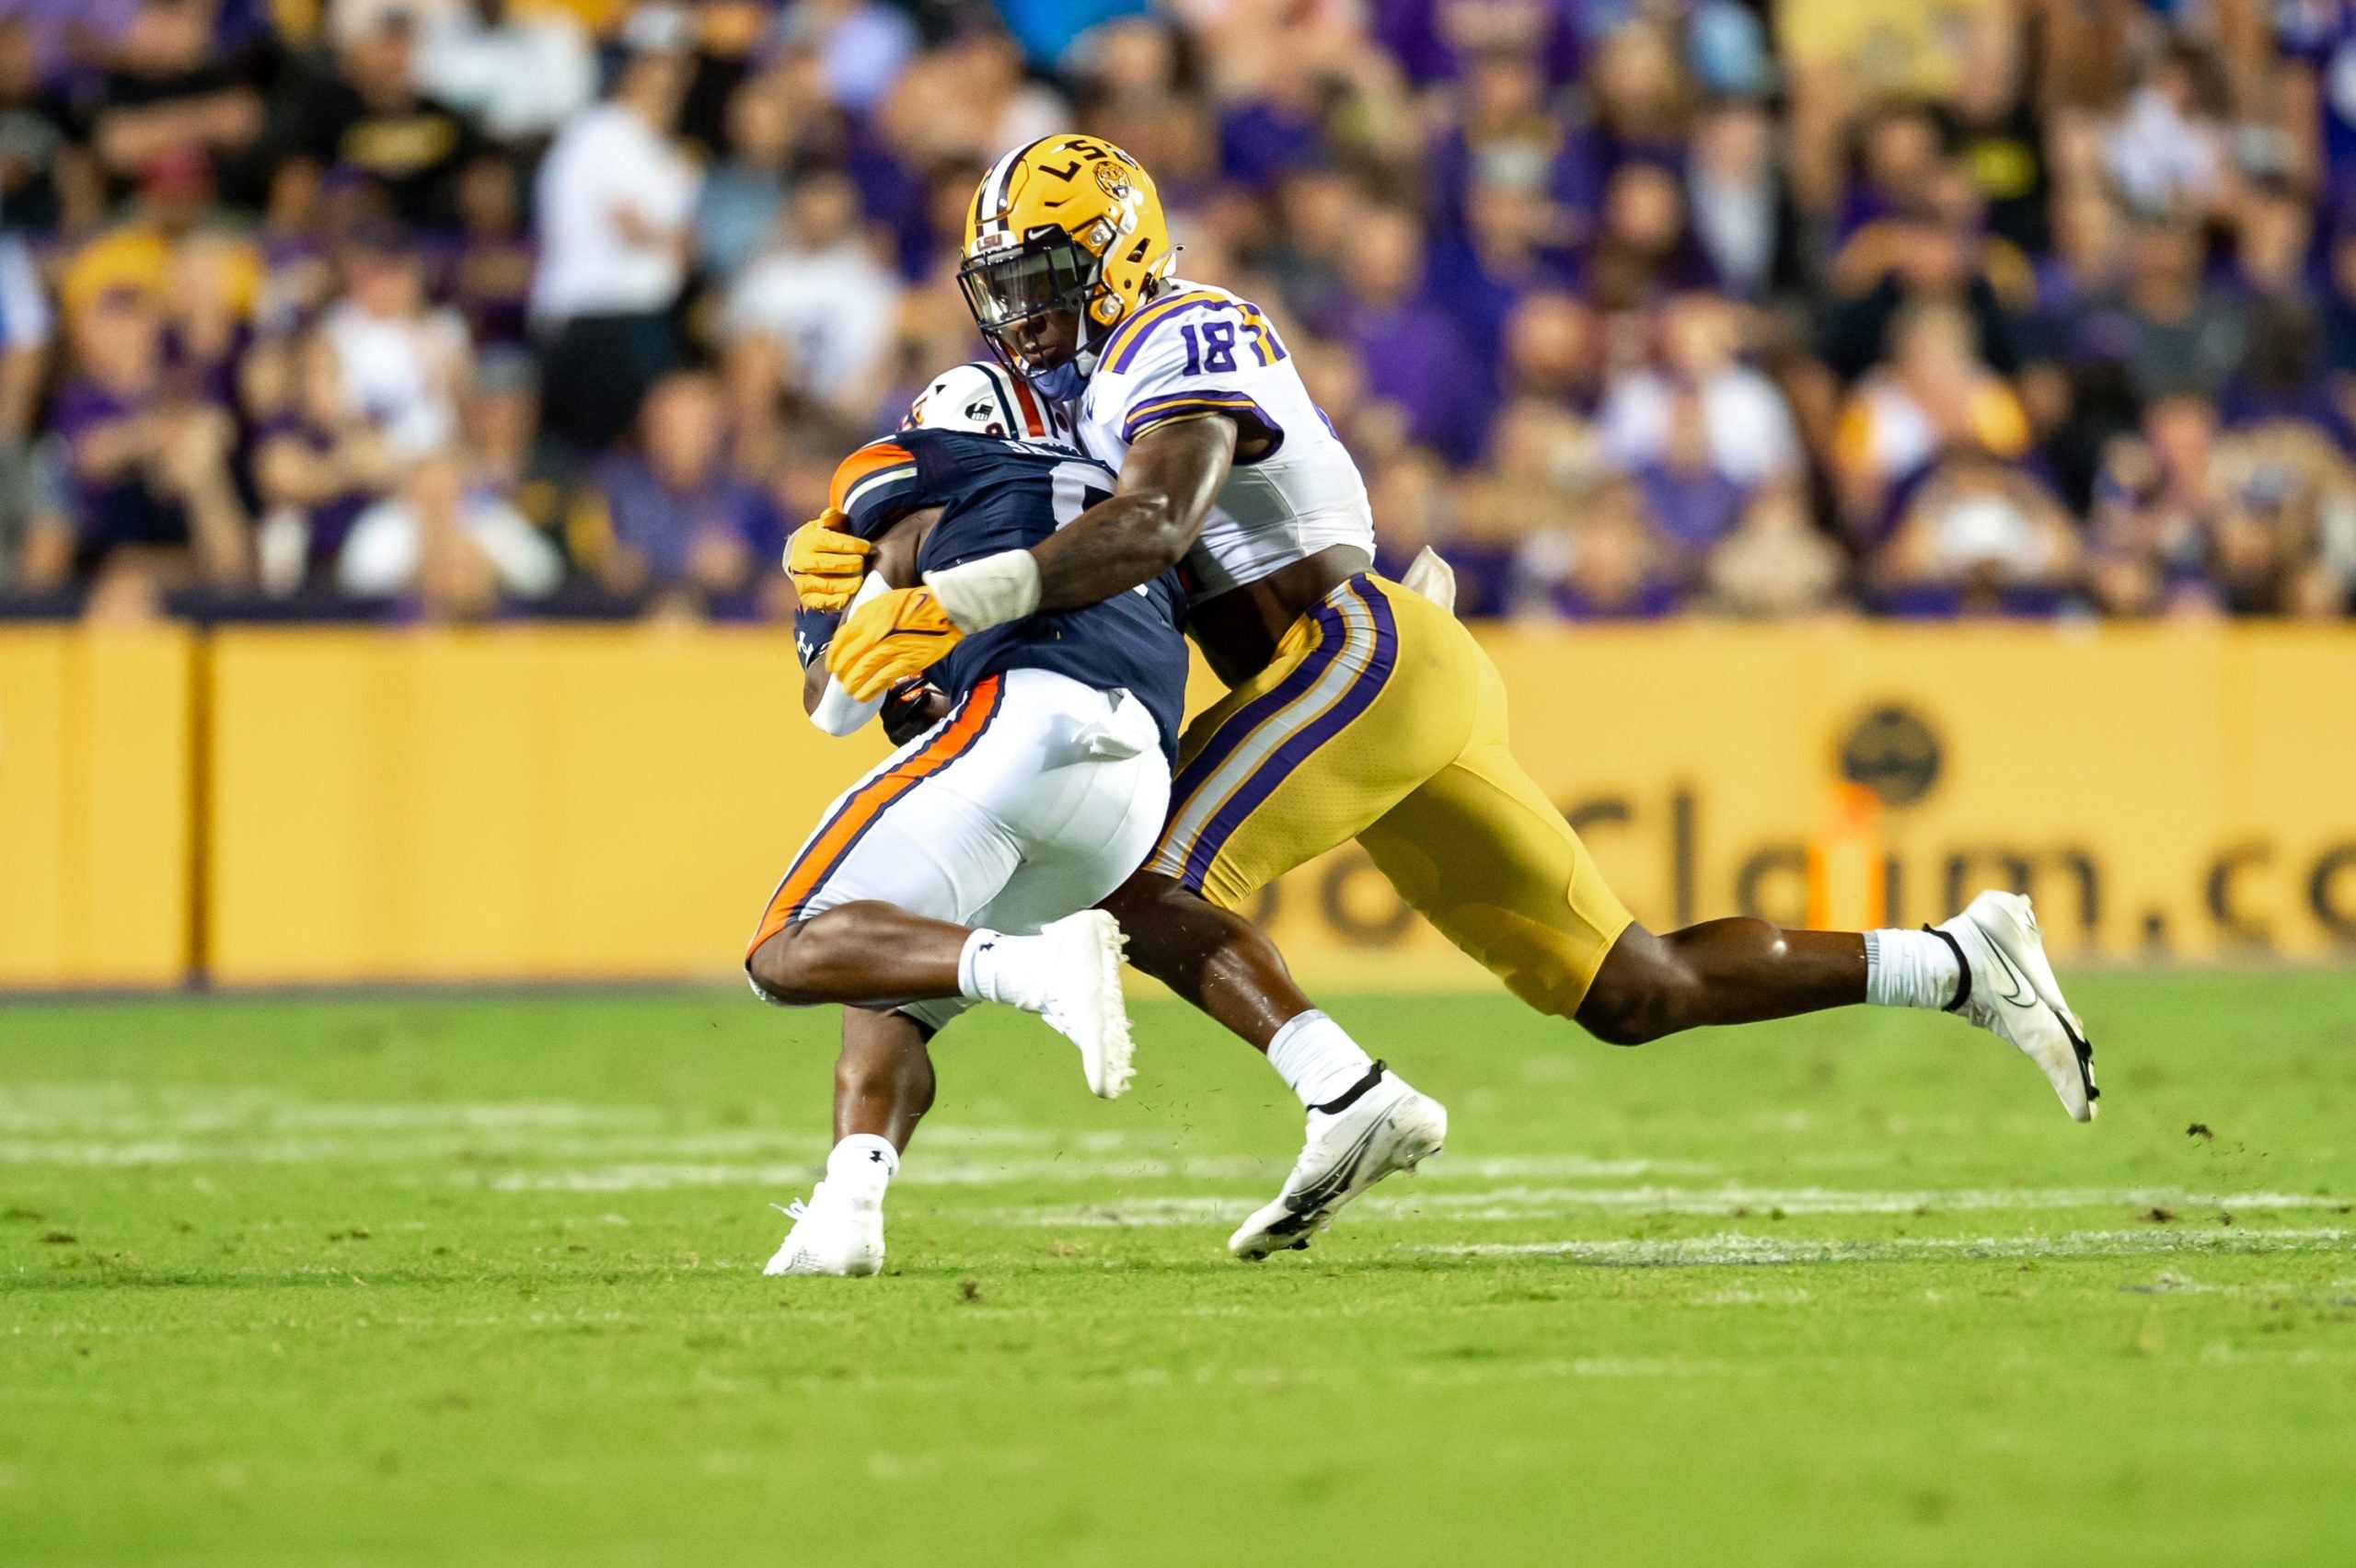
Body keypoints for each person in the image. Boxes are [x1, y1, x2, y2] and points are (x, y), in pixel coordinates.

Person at [796, 134, 2101, 1265]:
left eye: (1044, 284)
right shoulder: (1058, 397)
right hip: (1376, 679)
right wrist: (870, 577)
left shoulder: (1174, 329)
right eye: (1004, 292)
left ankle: (1347, 1095)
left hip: (1358, 653)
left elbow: (1153, 523)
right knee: (1632, 991)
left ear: (1121, 260)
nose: (1023, 318)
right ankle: (1953, 962)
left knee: (1138, 877)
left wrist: (968, 599)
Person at [746, 361, 1189, 1276]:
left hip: (1024, 727)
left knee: (792, 943)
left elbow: (835, 708)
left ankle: (1036, 970)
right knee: (887, 973)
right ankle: (848, 1206)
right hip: (1131, 790)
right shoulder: (1119, 500)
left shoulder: (932, 465)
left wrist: (827, 606)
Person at [528, 5, 700, 455]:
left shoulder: (653, 143)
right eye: (657, 61)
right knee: (597, 454)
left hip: (636, 317)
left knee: (634, 453)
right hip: (598, 319)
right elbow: (625, 221)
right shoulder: (604, 131)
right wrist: (677, 241)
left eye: (677, 62)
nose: (670, 75)